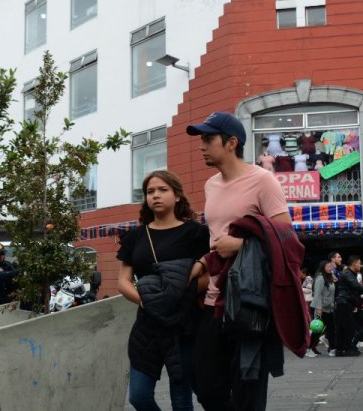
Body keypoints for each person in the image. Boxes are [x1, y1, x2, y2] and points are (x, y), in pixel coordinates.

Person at [185, 111, 292, 411]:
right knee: (206, 389)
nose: (201, 146)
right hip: (213, 303)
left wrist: (242, 244)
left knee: (248, 395)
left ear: (232, 142)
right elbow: (217, 238)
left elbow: (287, 238)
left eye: (208, 139)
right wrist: (204, 263)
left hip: (248, 304)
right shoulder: (210, 186)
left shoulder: (263, 181)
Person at [117, 170, 209, 411]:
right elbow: (123, 281)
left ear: (177, 195)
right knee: (138, 395)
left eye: (162, 190)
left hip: (184, 322)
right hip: (148, 323)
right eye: (150, 192)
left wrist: (176, 298)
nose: (155, 195)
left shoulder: (196, 233)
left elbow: (208, 278)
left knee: (181, 398)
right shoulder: (135, 237)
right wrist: (145, 301)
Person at [333, 255, 363, 357]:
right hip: (343, 303)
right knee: (348, 327)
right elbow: (355, 285)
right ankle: (346, 349)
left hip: (347, 303)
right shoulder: (347, 273)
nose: (360, 265)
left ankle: (341, 349)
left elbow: (354, 288)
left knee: (344, 328)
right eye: (359, 263)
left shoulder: (352, 274)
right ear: (354, 263)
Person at [310, 260, 337, 356]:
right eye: (328, 266)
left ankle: (333, 349)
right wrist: (319, 308)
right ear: (323, 267)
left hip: (329, 308)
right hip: (320, 308)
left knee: (331, 328)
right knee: (317, 329)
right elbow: (317, 294)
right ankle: (309, 349)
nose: (330, 268)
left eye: (331, 266)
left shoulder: (329, 278)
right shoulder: (320, 278)